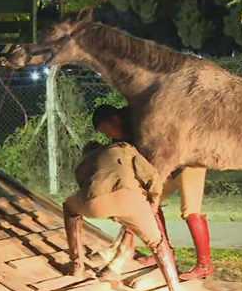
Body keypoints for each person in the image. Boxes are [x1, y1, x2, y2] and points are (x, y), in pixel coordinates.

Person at [62, 111, 187, 291]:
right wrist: (153, 202)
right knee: (159, 245)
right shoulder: (124, 148)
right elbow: (152, 177)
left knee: (69, 207)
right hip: (132, 200)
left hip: (96, 203)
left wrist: (111, 212)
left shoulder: (84, 163)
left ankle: (77, 265)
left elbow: (86, 189)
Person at [91, 106, 215, 280]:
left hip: (188, 160)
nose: (108, 135)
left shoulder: (142, 118)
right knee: (148, 206)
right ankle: (165, 253)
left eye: (106, 130)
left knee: (191, 211)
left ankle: (205, 265)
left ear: (114, 120)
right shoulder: (124, 134)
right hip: (166, 170)